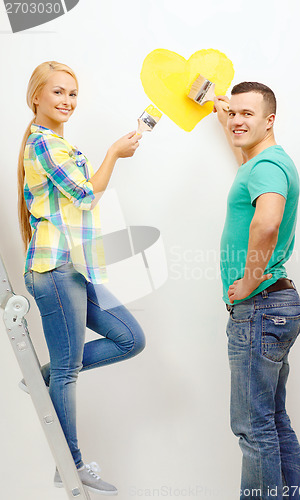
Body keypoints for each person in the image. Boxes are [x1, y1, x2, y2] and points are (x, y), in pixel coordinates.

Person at [18, 61, 145, 496]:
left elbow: (80, 196)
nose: (67, 101)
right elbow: (87, 194)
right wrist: (113, 153)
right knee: (69, 373)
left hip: (71, 269)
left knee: (130, 338)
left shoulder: (56, 143)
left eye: (73, 94)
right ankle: (69, 465)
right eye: (58, 93)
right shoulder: (43, 144)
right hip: (54, 269)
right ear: (36, 97)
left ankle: (43, 374)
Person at [213, 82, 300, 500]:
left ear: (270, 121)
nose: (237, 121)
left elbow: (267, 222)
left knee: (253, 429)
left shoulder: (266, 167)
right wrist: (224, 112)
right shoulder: (263, 159)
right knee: (272, 421)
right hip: (275, 307)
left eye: (247, 115)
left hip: (260, 306)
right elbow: (242, 138)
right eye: (233, 113)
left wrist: (251, 279)